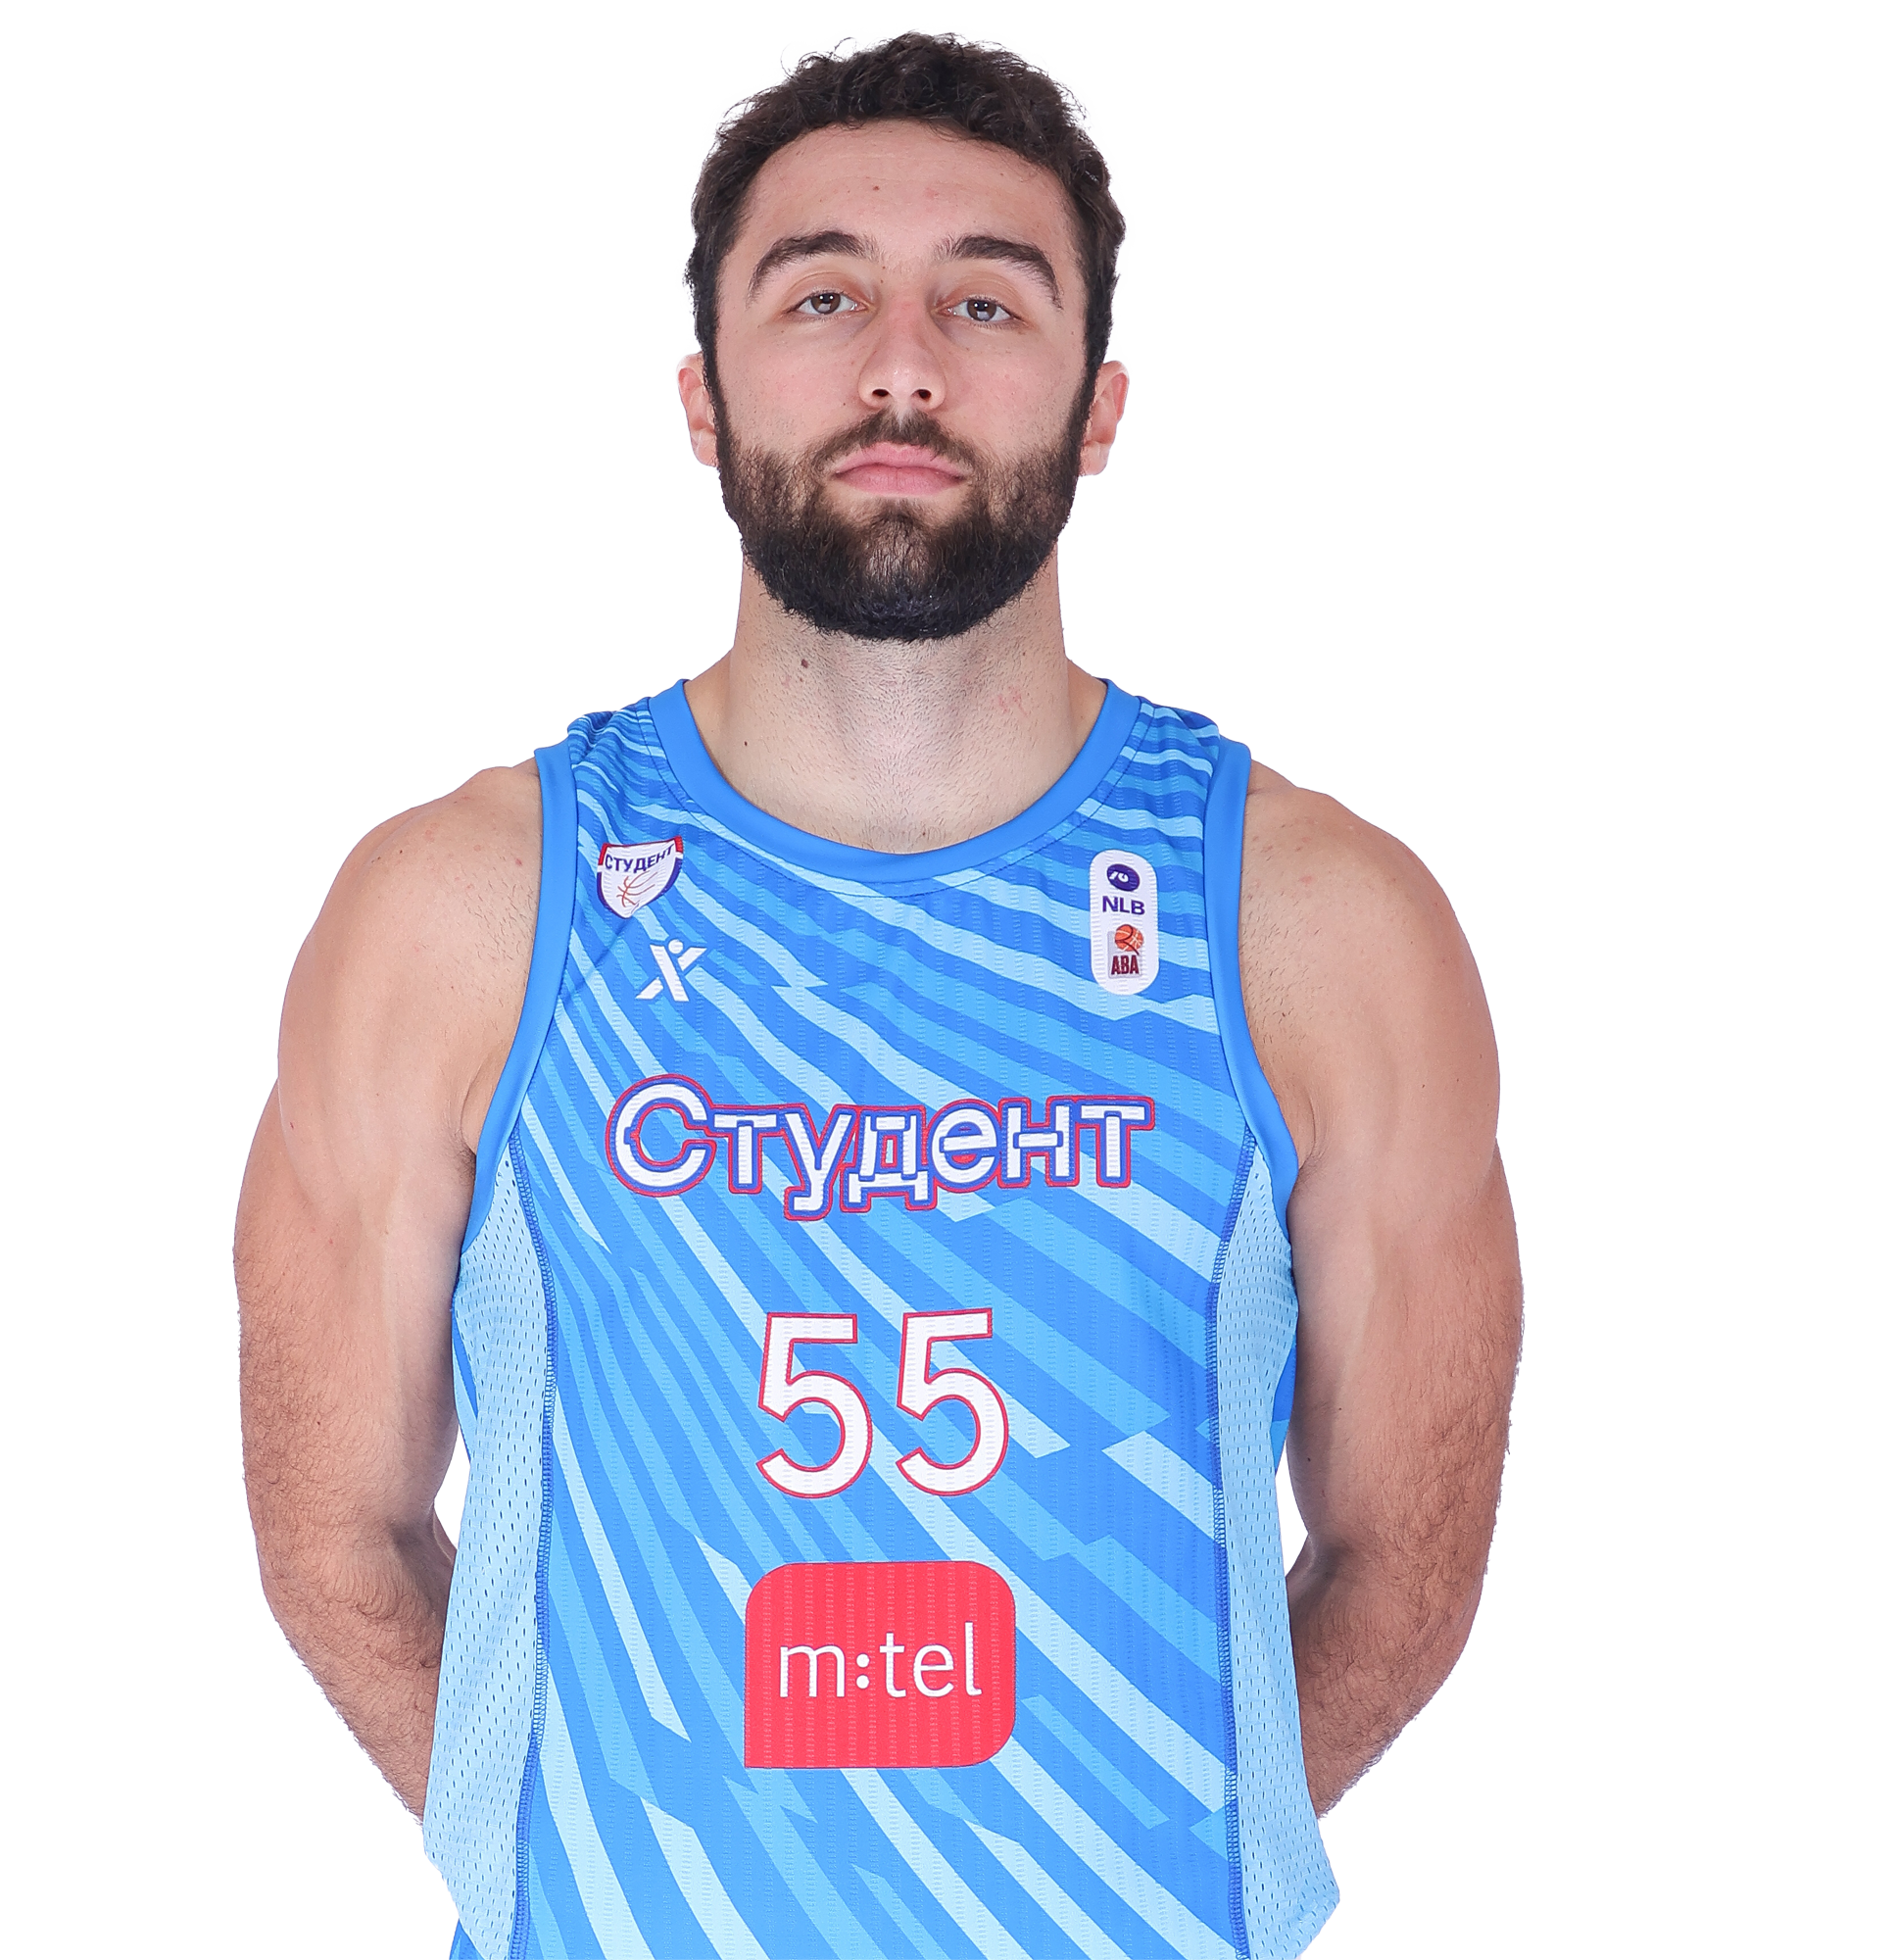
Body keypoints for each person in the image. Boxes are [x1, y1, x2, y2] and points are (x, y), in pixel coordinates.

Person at [237, 30, 1521, 1960]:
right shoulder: (460, 913)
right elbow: (331, 1530)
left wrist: (1137, 1877)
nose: (902, 366)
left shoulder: (1315, 926)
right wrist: (594, 1874)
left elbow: (1403, 1559)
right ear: (702, 395)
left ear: (1097, 404)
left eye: (985, 301)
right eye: (821, 294)